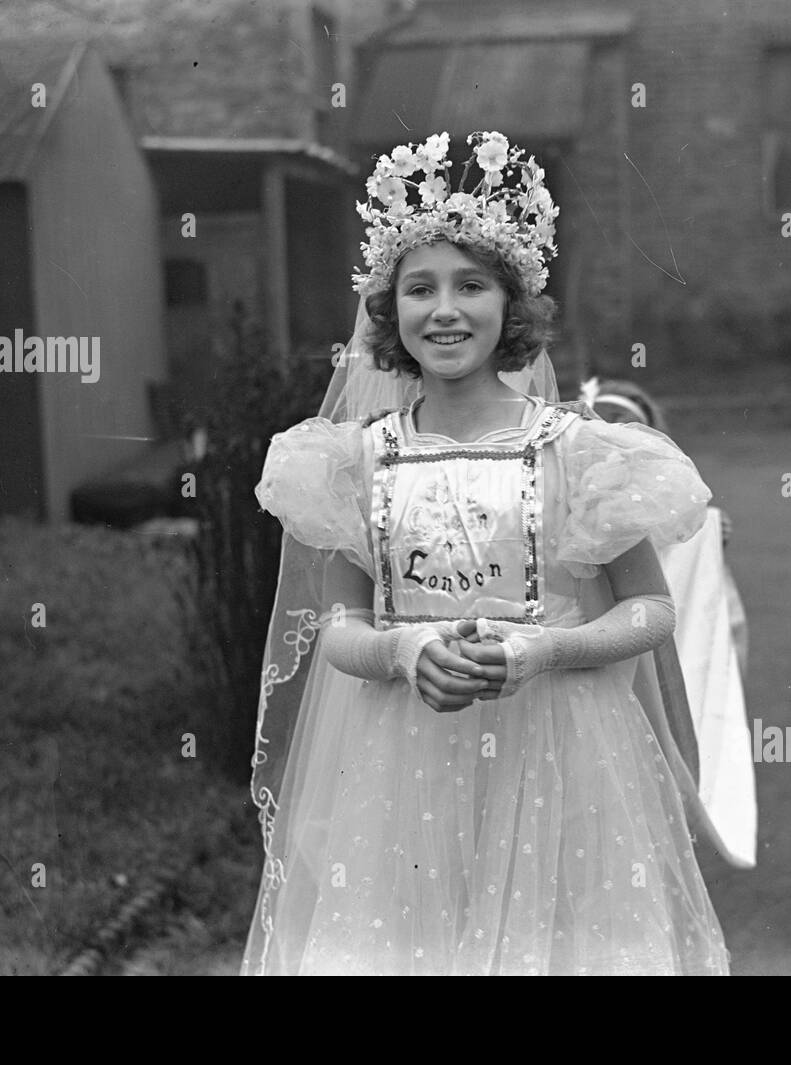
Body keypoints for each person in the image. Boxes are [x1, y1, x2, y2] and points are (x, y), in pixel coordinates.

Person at [240, 132, 730, 975]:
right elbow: (338, 624)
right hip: (399, 758)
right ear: (388, 311)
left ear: (513, 306)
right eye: (419, 288)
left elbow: (650, 610)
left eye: (472, 285)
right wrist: (405, 648)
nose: (445, 310)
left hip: (560, 754)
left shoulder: (580, 450)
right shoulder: (356, 459)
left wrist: (544, 648)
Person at [578, 376, 756, 870]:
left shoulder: (675, 506)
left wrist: (708, 541)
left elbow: (718, 624)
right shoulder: (576, 501)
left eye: (632, 430)